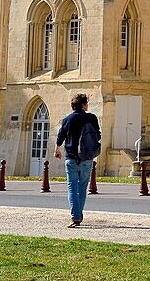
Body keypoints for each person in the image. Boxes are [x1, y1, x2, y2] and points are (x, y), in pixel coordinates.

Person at [54, 92, 101, 227]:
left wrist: (57, 149)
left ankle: (76, 217)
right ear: (83, 104)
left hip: (71, 157)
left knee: (72, 187)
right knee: (82, 187)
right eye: (86, 103)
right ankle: (78, 214)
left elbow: (61, 136)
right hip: (87, 158)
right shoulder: (92, 118)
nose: (87, 106)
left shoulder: (68, 119)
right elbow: (97, 135)